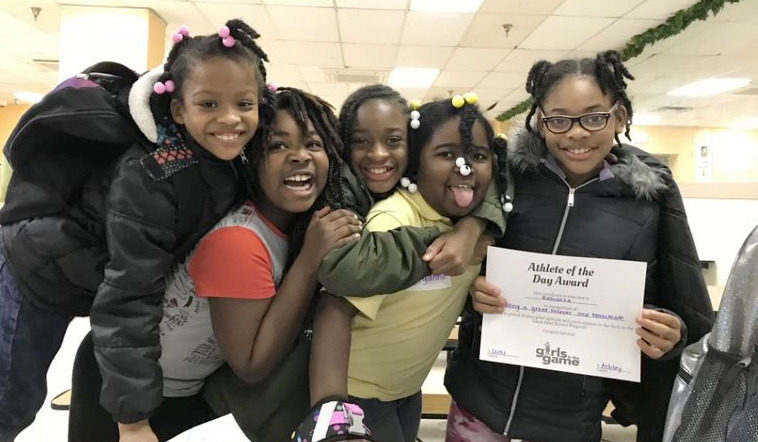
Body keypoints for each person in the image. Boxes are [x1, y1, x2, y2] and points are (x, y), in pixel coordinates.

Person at [0, 19, 272, 442]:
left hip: (78, 271)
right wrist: (132, 422)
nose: (231, 119)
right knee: (9, 403)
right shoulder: (152, 177)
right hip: (32, 275)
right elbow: (129, 297)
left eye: (244, 103)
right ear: (178, 110)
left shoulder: (225, 159)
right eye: (209, 105)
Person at [444, 50, 715, 442]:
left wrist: (670, 333)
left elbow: (672, 297)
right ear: (539, 120)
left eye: (594, 116)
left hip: (570, 416)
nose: (576, 133)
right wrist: (471, 290)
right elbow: (466, 259)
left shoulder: (647, 200)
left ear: (619, 116)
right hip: (481, 402)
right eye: (559, 119)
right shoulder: (506, 180)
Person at [68, 87, 362, 441]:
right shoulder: (239, 242)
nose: (300, 156)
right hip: (125, 386)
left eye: (314, 144)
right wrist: (309, 261)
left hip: (180, 388)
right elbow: (251, 364)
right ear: (251, 157)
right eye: (277, 145)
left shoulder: (288, 229)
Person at [303, 96, 508, 442]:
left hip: (405, 391)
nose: (465, 167)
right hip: (358, 393)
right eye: (445, 154)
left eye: (478, 156)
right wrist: (334, 416)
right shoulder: (395, 221)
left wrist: (473, 238)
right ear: (416, 162)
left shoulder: (464, 221)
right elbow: (334, 308)